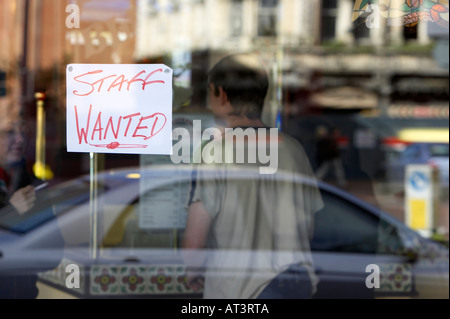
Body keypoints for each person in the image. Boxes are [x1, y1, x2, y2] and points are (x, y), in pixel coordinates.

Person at [182, 53, 323, 299]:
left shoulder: (216, 151)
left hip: (241, 292)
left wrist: (191, 272)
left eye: (210, 93)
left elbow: (195, 239)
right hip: (295, 284)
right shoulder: (292, 148)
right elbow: (308, 229)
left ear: (222, 95)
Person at [0, 107, 44, 299]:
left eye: (22, 131)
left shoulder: (31, 184)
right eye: (10, 132)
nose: (19, 139)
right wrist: (11, 213)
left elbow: (52, 257)